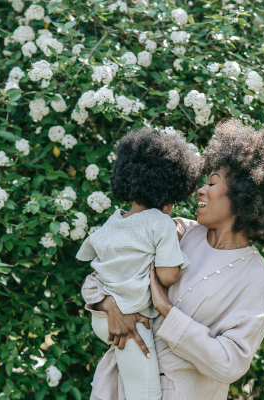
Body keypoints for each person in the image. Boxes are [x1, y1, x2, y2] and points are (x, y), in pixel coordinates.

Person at [82, 119, 264, 400]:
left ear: (243, 196)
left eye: (212, 182)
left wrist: (167, 310)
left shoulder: (255, 278)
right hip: (115, 389)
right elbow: (103, 275)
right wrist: (110, 307)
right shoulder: (175, 231)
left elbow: (229, 364)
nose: (200, 190)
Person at [75, 127, 201, 400]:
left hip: (101, 315)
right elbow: (167, 277)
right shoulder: (161, 223)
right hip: (133, 320)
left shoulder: (113, 222)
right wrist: (175, 253)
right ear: (170, 195)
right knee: (145, 393)